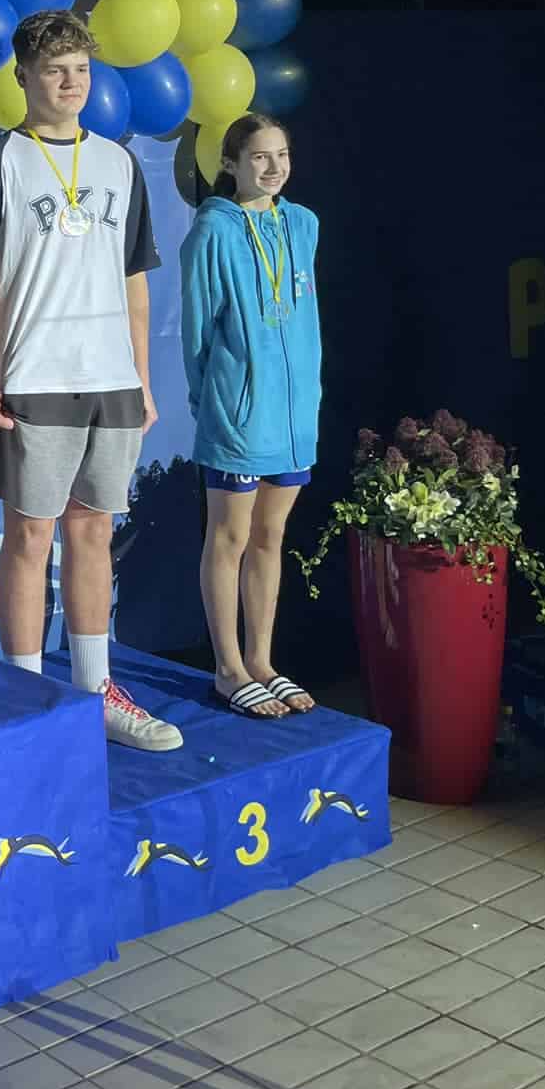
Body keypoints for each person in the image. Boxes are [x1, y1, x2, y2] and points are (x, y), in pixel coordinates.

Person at [0, 10, 182, 752]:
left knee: (94, 532)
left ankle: (94, 688)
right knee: (30, 535)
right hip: (32, 376)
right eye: (54, 70)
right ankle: (25, 700)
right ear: (23, 78)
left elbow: (135, 280)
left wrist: (142, 379)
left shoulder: (118, 163)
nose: (71, 83)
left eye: (80, 69)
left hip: (110, 379)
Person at [181, 112, 320, 718]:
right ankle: (228, 668)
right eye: (259, 157)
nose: (273, 167)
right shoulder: (212, 231)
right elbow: (196, 332)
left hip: (293, 416)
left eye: (281, 155)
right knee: (230, 537)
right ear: (231, 163)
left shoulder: (304, 224)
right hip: (237, 413)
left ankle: (262, 661)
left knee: (271, 536)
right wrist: (214, 402)